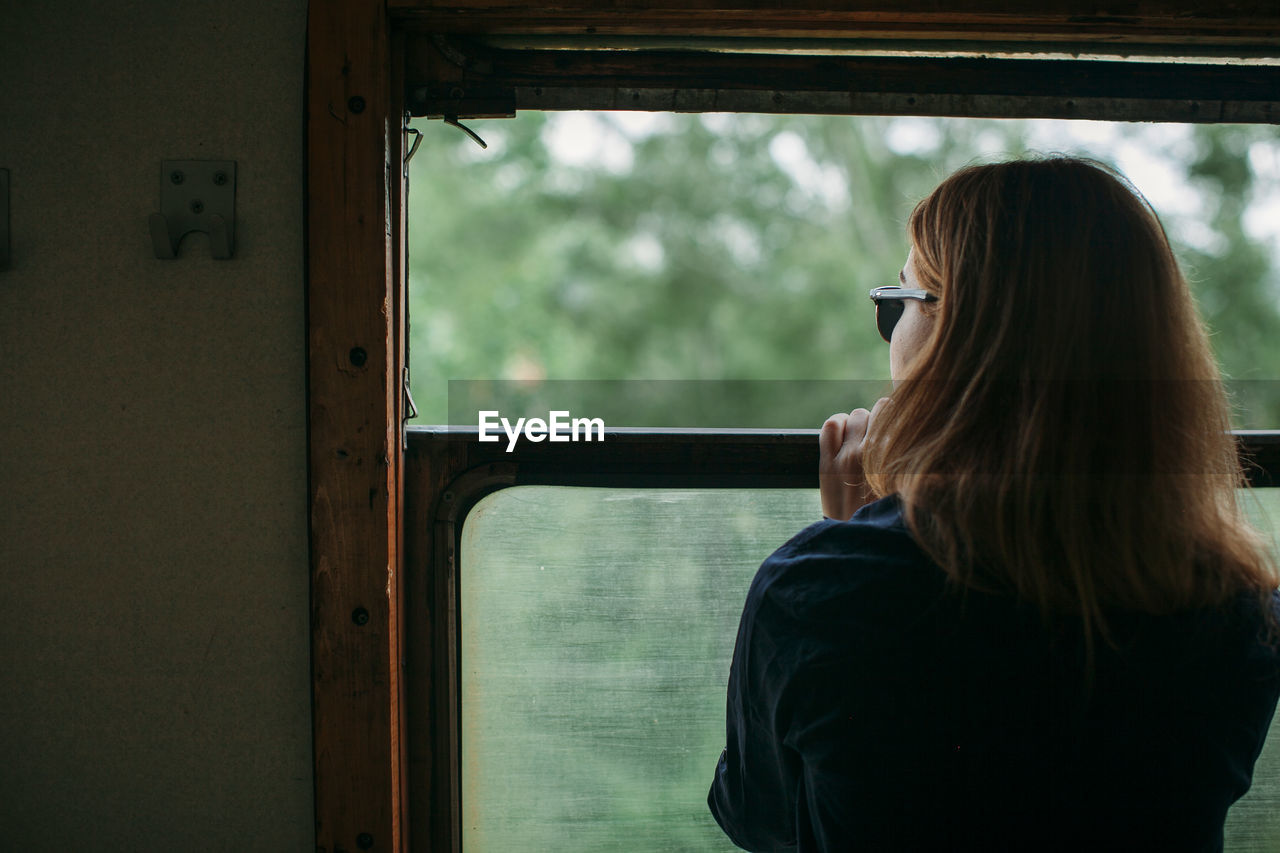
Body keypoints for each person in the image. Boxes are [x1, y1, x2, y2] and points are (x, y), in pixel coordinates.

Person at [707, 157, 1280, 852]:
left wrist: (855, 540)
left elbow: (765, 821)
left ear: (962, 332)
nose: (889, 335)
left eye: (898, 302)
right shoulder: (1238, 613)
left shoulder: (818, 589)